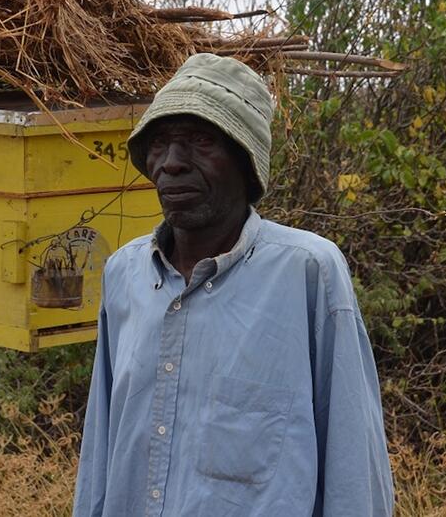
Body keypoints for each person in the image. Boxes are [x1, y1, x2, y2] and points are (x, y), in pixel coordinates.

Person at [73, 53, 394, 516]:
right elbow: (101, 448)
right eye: (160, 144)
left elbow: (353, 467)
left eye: (201, 141)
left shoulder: (307, 272)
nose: (172, 163)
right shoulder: (125, 274)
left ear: (246, 163)